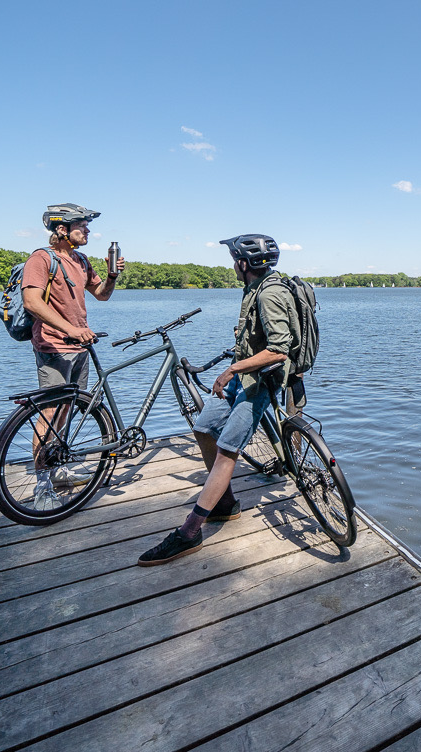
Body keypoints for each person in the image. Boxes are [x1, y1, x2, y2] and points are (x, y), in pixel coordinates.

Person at [138, 233, 297, 566]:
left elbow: (279, 351)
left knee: (227, 450)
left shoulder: (269, 294)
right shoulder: (253, 289)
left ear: (244, 263)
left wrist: (231, 370)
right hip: (244, 375)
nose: (233, 265)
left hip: (262, 383)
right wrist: (235, 367)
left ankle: (189, 532)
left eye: (234, 259)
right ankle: (224, 504)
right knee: (203, 427)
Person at [20, 203, 125, 509]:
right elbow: (31, 302)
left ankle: (59, 467)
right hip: (53, 346)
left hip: (80, 348)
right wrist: (70, 328)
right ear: (62, 229)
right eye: (82, 225)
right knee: (50, 414)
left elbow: (102, 295)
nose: (88, 230)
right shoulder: (42, 259)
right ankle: (42, 486)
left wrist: (111, 275)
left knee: (68, 410)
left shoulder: (80, 259)